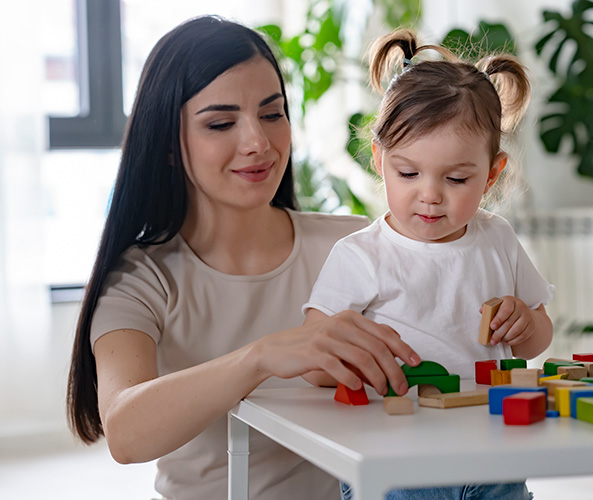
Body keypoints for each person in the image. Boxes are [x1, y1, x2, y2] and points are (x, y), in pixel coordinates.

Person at [66, 16, 422, 500]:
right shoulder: (139, 279)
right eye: (220, 123)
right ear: (170, 145)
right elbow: (126, 434)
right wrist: (262, 356)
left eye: (272, 114)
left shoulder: (357, 247)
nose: (258, 143)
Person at [302, 29, 554, 500]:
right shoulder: (361, 256)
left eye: (457, 178)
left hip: (494, 455)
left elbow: (539, 335)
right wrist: (355, 358)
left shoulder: (496, 238)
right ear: (379, 160)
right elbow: (313, 361)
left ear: (492, 173)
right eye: (408, 173)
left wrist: (524, 322)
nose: (431, 195)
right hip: (393, 460)